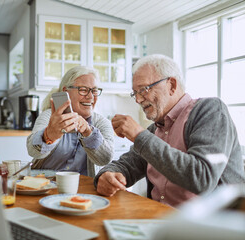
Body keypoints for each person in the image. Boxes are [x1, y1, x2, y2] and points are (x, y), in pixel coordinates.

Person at [94, 54, 245, 207]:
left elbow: (202, 178)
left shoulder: (210, 111)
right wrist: (106, 175)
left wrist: (139, 135)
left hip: (210, 226)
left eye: (144, 89)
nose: (138, 100)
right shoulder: (155, 129)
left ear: (172, 85)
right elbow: (127, 164)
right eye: (135, 93)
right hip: (158, 220)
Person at [27, 66, 114, 177]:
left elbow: (105, 159)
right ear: (65, 91)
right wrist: (48, 135)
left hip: (83, 189)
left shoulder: (102, 123)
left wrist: (88, 132)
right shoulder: (50, 116)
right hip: (45, 184)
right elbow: (32, 150)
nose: (90, 96)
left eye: (95, 91)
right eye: (83, 90)